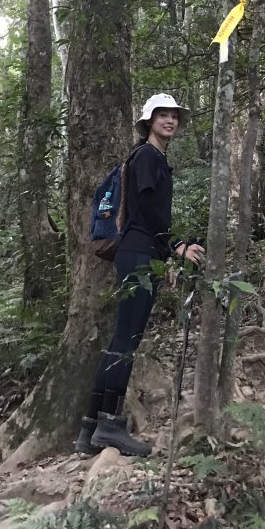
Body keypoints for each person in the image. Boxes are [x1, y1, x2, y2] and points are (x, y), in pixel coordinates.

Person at [76, 93, 205, 456]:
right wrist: (177, 245)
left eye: (174, 115)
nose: (170, 120)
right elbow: (148, 208)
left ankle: (90, 426)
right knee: (126, 341)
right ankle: (110, 426)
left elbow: (148, 212)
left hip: (140, 252)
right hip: (137, 253)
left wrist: (164, 255)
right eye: (162, 115)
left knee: (121, 339)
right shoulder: (148, 156)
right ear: (149, 121)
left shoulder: (149, 157)